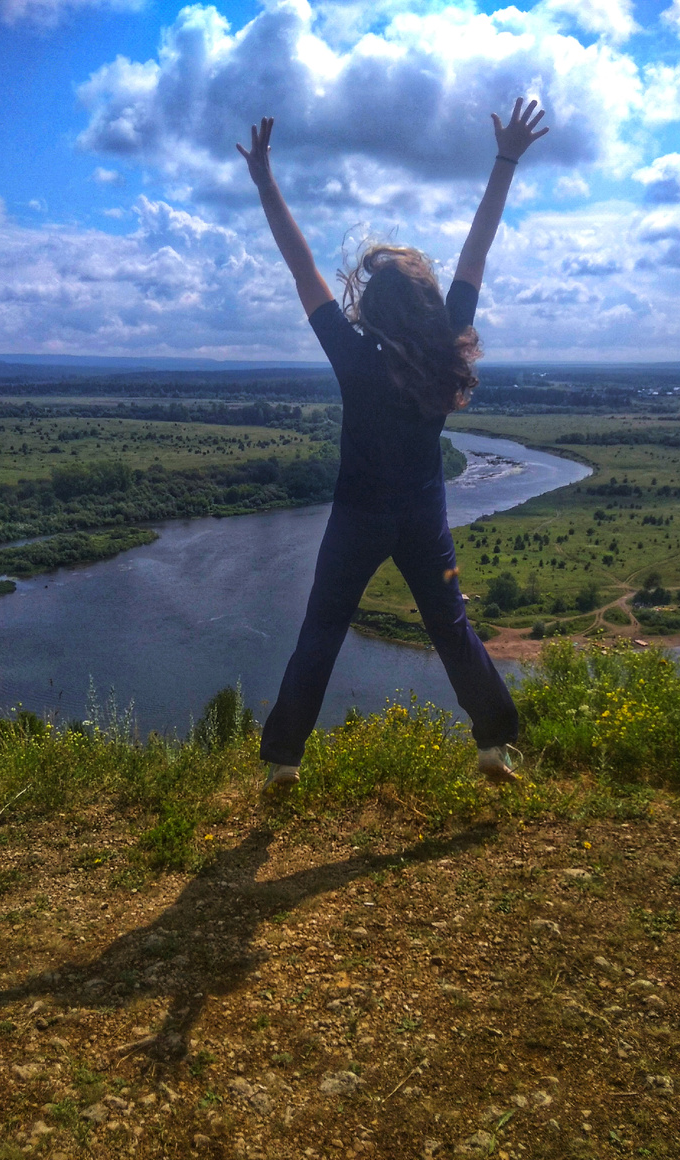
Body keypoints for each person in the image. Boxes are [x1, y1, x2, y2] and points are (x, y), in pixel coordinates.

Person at [237, 98, 549, 790]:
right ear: (426, 301)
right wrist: (505, 160)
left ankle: (284, 762)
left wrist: (265, 182)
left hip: (357, 516)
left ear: (370, 311)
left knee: (321, 630)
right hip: (422, 517)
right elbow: (477, 248)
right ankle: (495, 746)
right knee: (451, 628)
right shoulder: (446, 347)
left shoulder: (353, 356)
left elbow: (302, 266)